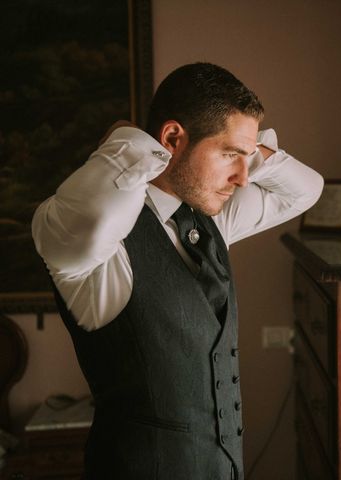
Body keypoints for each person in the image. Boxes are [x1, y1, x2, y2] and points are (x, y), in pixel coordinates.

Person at [31, 62, 324, 479]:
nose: (243, 179)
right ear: (171, 138)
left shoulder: (212, 221)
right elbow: (99, 213)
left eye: (246, 159)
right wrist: (128, 135)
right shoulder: (87, 243)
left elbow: (307, 189)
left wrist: (245, 147)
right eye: (228, 155)